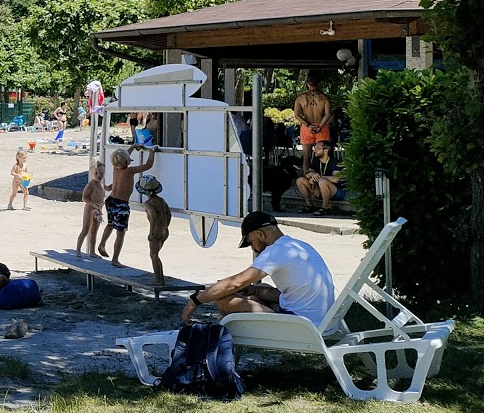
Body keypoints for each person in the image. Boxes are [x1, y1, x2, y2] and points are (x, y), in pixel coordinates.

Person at [182, 210, 336, 326]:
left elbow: (235, 283)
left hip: (302, 325)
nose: (253, 249)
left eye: (250, 242)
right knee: (260, 288)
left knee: (223, 299)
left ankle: (227, 334)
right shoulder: (298, 246)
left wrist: (195, 301)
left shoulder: (275, 252)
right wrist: (253, 291)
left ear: (260, 234)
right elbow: (298, 294)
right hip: (322, 320)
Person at [104, 144, 157, 267]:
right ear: (127, 161)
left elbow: (122, 156)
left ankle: (102, 244)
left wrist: (133, 147)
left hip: (111, 200)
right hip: (121, 204)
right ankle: (115, 259)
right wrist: (152, 151)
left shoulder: (115, 167)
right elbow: (148, 165)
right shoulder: (129, 171)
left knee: (110, 224)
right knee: (120, 233)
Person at [295, 140, 344, 213]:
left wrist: (319, 177)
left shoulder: (335, 162)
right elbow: (307, 173)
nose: (314, 150)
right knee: (300, 180)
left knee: (322, 181)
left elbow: (336, 179)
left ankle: (325, 207)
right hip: (321, 190)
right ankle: (310, 206)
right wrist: (312, 175)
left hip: (336, 192)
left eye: (317, 148)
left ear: (326, 151)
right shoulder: (316, 160)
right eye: (315, 148)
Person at [140, 174, 172, 284]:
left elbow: (153, 216)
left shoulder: (148, 203)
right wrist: (166, 226)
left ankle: (159, 279)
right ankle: (160, 277)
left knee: (153, 255)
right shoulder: (161, 200)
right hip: (164, 230)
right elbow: (168, 214)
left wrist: (151, 232)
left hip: (156, 231)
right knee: (156, 254)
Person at [293, 75, 333, 152]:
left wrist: (309, 125)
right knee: (323, 154)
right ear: (319, 84)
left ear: (307, 84)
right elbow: (328, 114)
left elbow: (296, 115)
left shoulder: (300, 98)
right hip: (322, 126)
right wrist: (319, 126)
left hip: (306, 127)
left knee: (306, 157)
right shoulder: (325, 98)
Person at [76, 162, 105, 257]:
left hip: (98, 210)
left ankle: (92, 252)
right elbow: (84, 197)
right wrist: (93, 204)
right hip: (90, 209)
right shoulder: (91, 184)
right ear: (92, 173)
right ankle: (78, 250)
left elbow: (107, 189)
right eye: (96, 173)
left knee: (94, 231)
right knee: (85, 229)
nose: (99, 176)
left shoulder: (101, 184)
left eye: (101, 173)